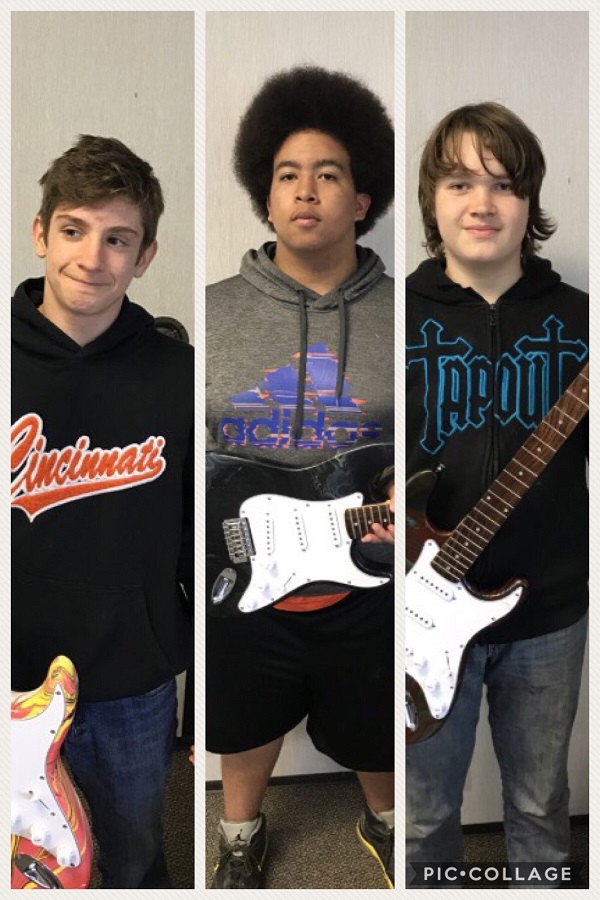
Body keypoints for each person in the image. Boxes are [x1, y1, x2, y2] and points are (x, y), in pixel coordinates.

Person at [205, 66, 395, 889]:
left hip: (365, 573)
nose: (306, 190)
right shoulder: (211, 311)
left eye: (329, 173)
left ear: (362, 200)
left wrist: (405, 505)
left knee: (377, 719)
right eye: (288, 174)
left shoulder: (408, 312)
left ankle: (389, 821)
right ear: (265, 195)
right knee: (243, 719)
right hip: (241, 573)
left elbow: (433, 450)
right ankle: (239, 833)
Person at [405, 102, 588, 888]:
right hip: (417, 615)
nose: (482, 203)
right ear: (431, 200)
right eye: (459, 182)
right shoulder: (393, 317)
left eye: (505, 184)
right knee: (422, 815)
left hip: (545, 611)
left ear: (531, 204)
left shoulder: (581, 322)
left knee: (541, 806)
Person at [11, 135, 194, 888]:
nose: (93, 257)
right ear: (40, 233)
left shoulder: (179, 374)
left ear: (145, 254)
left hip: (131, 681)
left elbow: (198, 539)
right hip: (10, 673)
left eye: (117, 239)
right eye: (74, 230)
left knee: (130, 857)